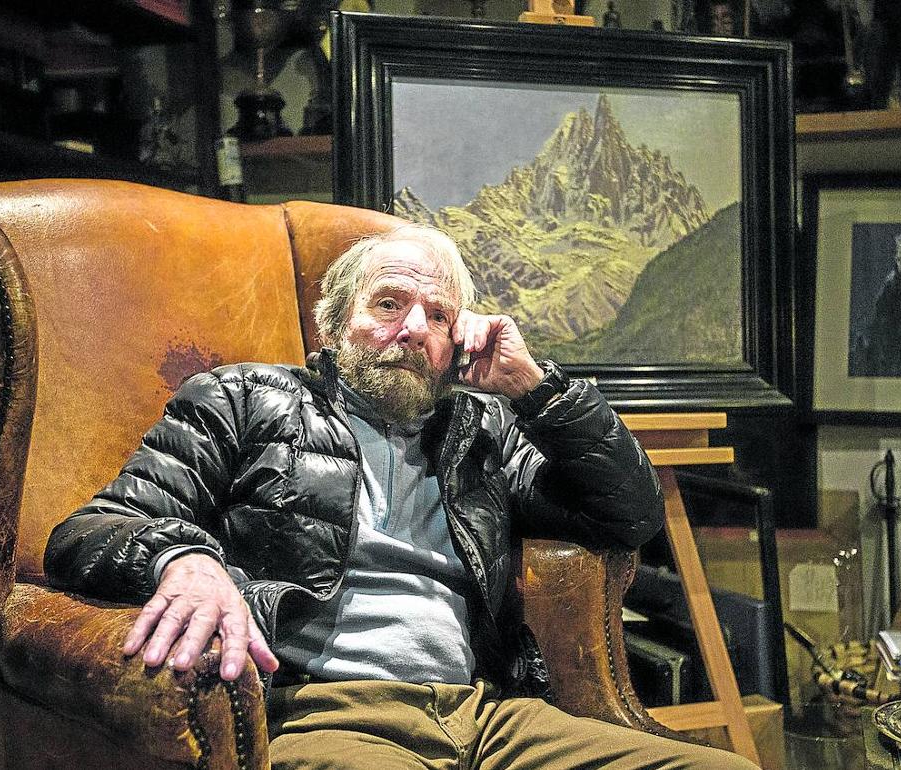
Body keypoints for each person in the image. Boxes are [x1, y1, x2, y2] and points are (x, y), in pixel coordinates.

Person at [44, 224, 760, 770]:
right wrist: (184, 559)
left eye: (438, 316)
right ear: (334, 324)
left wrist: (535, 389)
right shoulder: (244, 399)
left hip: (487, 716)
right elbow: (92, 530)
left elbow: (629, 513)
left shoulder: (480, 429)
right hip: (326, 712)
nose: (413, 329)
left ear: (457, 343)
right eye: (388, 303)